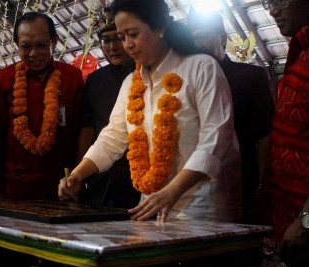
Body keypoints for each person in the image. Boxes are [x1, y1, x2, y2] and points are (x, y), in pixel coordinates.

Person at [59, 0, 242, 224]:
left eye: (133, 34)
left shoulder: (201, 68)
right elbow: (113, 137)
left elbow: (216, 139)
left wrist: (173, 190)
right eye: (122, 37)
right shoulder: (131, 83)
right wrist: (78, 174)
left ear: (160, 28)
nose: (127, 45)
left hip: (200, 205)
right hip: (150, 204)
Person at [256, 0, 309, 267]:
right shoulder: (302, 43)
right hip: (290, 220)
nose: (273, 10)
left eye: (281, 0)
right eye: (268, 2)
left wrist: (307, 220)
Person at [0, 12, 84, 200]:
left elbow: (83, 133)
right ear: (16, 45)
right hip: (15, 189)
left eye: (41, 45)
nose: (34, 53)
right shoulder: (4, 79)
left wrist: (79, 179)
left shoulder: (72, 77)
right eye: (26, 46)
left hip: (63, 188)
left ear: (54, 41)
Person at [186, 11, 275, 224]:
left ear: (223, 38)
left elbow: (266, 135)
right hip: (192, 186)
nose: (198, 43)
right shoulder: (185, 82)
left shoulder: (250, 76)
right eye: (193, 38)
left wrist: (263, 184)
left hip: (240, 181)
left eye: (204, 36)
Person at [77, 6, 140, 208]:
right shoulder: (95, 80)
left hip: (142, 174)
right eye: (106, 40)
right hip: (103, 175)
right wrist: (81, 173)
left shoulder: (148, 74)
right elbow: (88, 128)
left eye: (118, 39)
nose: (112, 47)